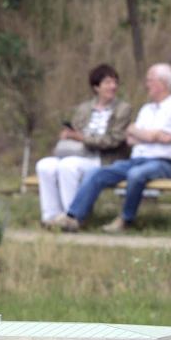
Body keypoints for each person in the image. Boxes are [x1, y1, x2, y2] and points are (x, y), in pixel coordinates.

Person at [61, 62, 171, 233]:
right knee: (95, 174)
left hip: (162, 163)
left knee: (135, 175)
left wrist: (143, 134)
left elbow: (146, 135)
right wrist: (153, 136)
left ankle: (125, 220)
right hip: (136, 160)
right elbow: (130, 138)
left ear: (163, 83)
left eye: (150, 80)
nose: (146, 85)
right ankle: (73, 217)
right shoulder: (147, 109)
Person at [36, 64, 131, 228]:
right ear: (96, 87)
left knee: (68, 166)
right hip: (80, 153)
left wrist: (83, 139)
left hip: (103, 158)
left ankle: (72, 217)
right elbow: (76, 131)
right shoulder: (84, 108)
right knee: (45, 165)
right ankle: (50, 216)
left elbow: (115, 139)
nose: (113, 87)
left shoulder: (123, 109)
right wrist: (68, 135)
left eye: (115, 82)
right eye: (108, 83)